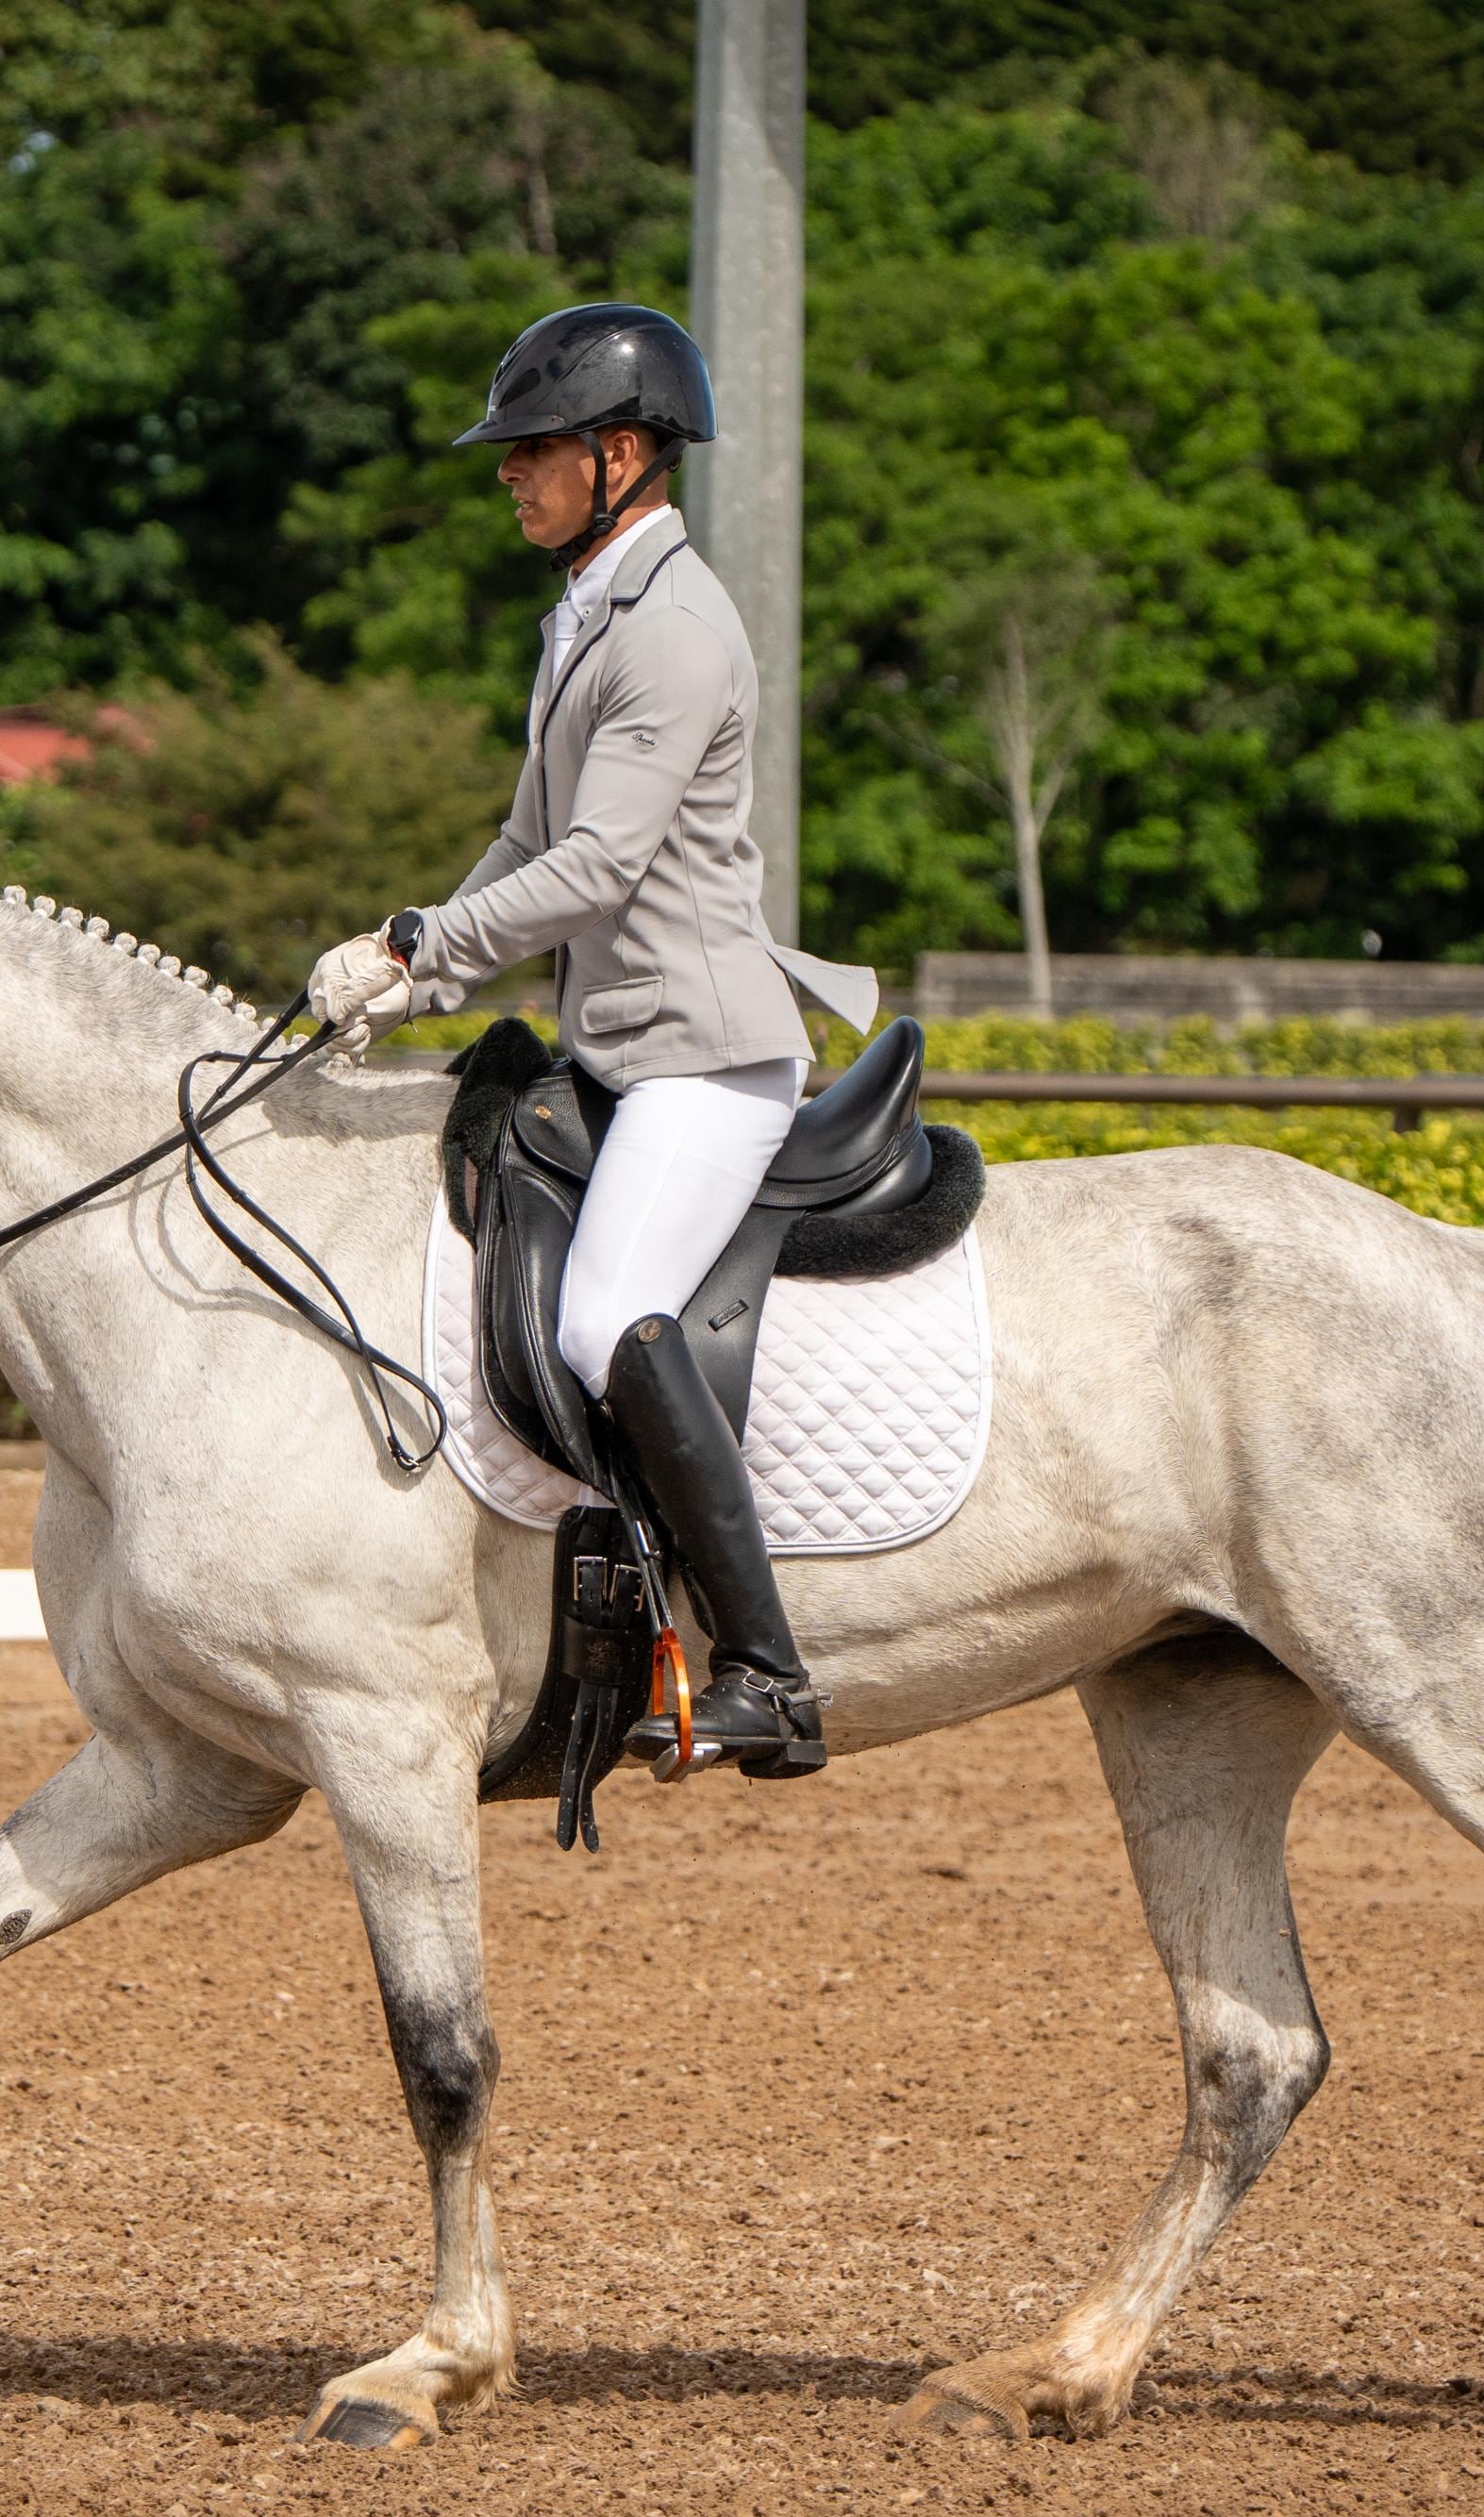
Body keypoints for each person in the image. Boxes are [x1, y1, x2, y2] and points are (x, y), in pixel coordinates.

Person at [306, 302, 879, 1779]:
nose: (508, 475)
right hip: (623, 1049)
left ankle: (768, 1669)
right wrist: (411, 975)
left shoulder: (677, 628)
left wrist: (422, 941)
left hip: (704, 1056)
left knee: (599, 1309)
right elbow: (526, 837)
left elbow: (604, 867)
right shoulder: (586, 613)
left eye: (533, 452)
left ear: (621, 456)